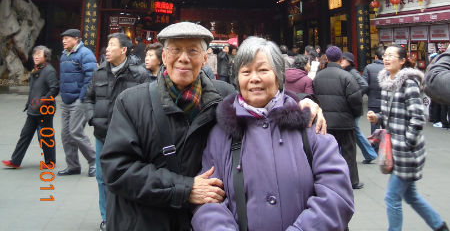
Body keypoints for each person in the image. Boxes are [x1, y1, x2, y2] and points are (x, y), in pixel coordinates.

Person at [100, 22, 326, 231]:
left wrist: (301, 103)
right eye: (176, 50)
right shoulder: (131, 102)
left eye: (193, 51)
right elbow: (117, 169)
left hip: (198, 221)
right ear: (164, 55)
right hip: (142, 220)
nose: (183, 58)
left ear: (205, 57)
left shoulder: (223, 97)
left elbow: (261, 99)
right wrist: (185, 189)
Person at [191, 37, 354, 231]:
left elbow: (336, 195)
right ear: (237, 79)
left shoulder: (309, 124)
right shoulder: (221, 133)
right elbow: (208, 201)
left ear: (278, 75)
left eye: (263, 70)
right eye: (246, 71)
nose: (254, 78)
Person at [367, 45, 448, 231]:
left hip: (406, 153)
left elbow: (418, 118)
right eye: (385, 55)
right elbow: (391, 115)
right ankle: (439, 225)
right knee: (411, 196)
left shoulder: (408, 84)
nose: (386, 59)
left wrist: (407, 143)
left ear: (402, 61)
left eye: (391, 55)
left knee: (391, 197)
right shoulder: (387, 83)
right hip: (396, 150)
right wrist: (377, 118)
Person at [85, 32, 149, 231]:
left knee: (128, 175)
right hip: (102, 134)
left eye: (112, 45)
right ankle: (106, 217)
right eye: (108, 44)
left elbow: (147, 103)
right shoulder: (99, 72)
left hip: (128, 137)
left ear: (123, 50)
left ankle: (127, 214)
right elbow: (88, 98)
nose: (107, 49)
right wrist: (93, 118)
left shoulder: (139, 74)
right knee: (102, 177)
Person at [313, 45, 364, 189]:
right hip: (345, 121)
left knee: (327, 152)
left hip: (326, 122)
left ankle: (328, 181)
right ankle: (351, 181)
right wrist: (355, 114)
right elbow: (355, 99)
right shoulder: (347, 76)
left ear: (327, 58)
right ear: (341, 59)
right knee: (348, 152)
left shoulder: (318, 77)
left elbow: (314, 97)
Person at [2, 45, 59, 169]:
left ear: (46, 57)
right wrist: (29, 104)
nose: (36, 57)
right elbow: (33, 90)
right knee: (25, 135)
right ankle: (15, 161)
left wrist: (43, 101)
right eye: (34, 54)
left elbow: (54, 89)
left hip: (45, 110)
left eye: (39, 54)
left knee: (46, 135)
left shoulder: (49, 71)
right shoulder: (35, 70)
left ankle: (50, 162)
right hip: (33, 110)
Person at [58, 28, 97, 177]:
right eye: (63, 38)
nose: (64, 41)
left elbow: (91, 77)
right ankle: (73, 166)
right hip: (66, 100)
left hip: (79, 100)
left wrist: (83, 97)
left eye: (67, 38)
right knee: (65, 134)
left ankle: (94, 161)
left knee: (75, 131)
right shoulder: (64, 55)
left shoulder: (85, 54)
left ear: (76, 39)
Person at [341, 52, 377, 164]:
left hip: (353, 106)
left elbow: (364, 85)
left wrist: (355, 95)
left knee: (355, 131)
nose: (341, 61)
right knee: (354, 131)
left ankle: (370, 154)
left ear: (349, 61)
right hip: (350, 106)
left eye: (344, 59)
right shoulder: (346, 72)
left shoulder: (353, 72)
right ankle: (369, 154)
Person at [362, 46, 385, 133]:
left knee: (374, 129)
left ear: (375, 57)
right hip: (387, 103)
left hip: (373, 103)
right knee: (387, 129)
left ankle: (375, 142)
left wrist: (369, 94)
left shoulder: (369, 68)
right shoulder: (390, 68)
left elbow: (364, 85)